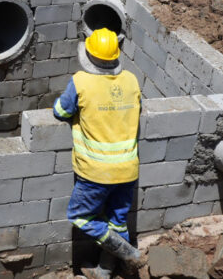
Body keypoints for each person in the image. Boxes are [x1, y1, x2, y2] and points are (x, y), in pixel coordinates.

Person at [52, 28, 144, 278]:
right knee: (118, 222)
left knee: (79, 216)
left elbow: (60, 111)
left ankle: (128, 253)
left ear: (88, 56)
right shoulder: (132, 80)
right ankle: (105, 270)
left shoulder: (81, 81)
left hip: (95, 171)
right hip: (128, 169)